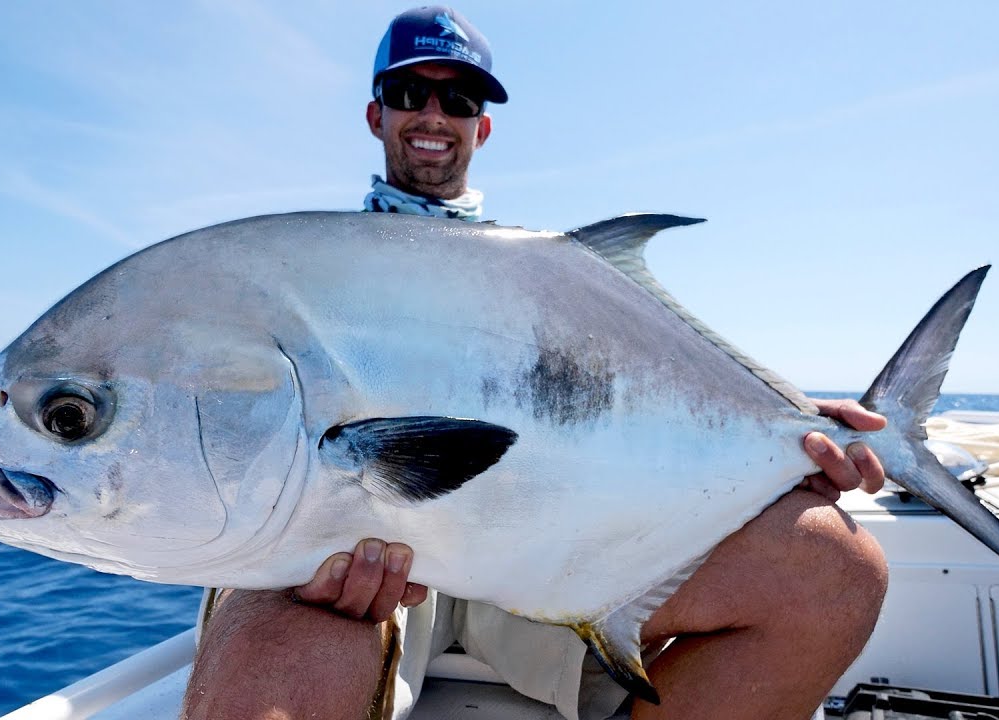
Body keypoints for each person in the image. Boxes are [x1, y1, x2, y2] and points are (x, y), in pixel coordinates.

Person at [182, 7, 888, 720]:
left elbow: (644, 401)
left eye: (458, 99)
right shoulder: (308, 276)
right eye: (409, 94)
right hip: (345, 559)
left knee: (834, 571)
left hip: (545, 549)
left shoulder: (550, 282)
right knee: (261, 671)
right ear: (376, 114)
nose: (433, 113)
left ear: (481, 127)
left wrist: (790, 430)